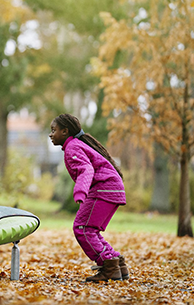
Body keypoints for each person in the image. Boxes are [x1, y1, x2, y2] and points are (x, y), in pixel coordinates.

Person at [49, 113, 129, 282]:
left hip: (103, 189)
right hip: (111, 189)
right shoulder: (76, 145)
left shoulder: (73, 148)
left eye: (53, 130)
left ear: (65, 131)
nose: (50, 134)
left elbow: (86, 169)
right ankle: (117, 265)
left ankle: (108, 266)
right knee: (91, 230)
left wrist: (80, 192)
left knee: (82, 228)